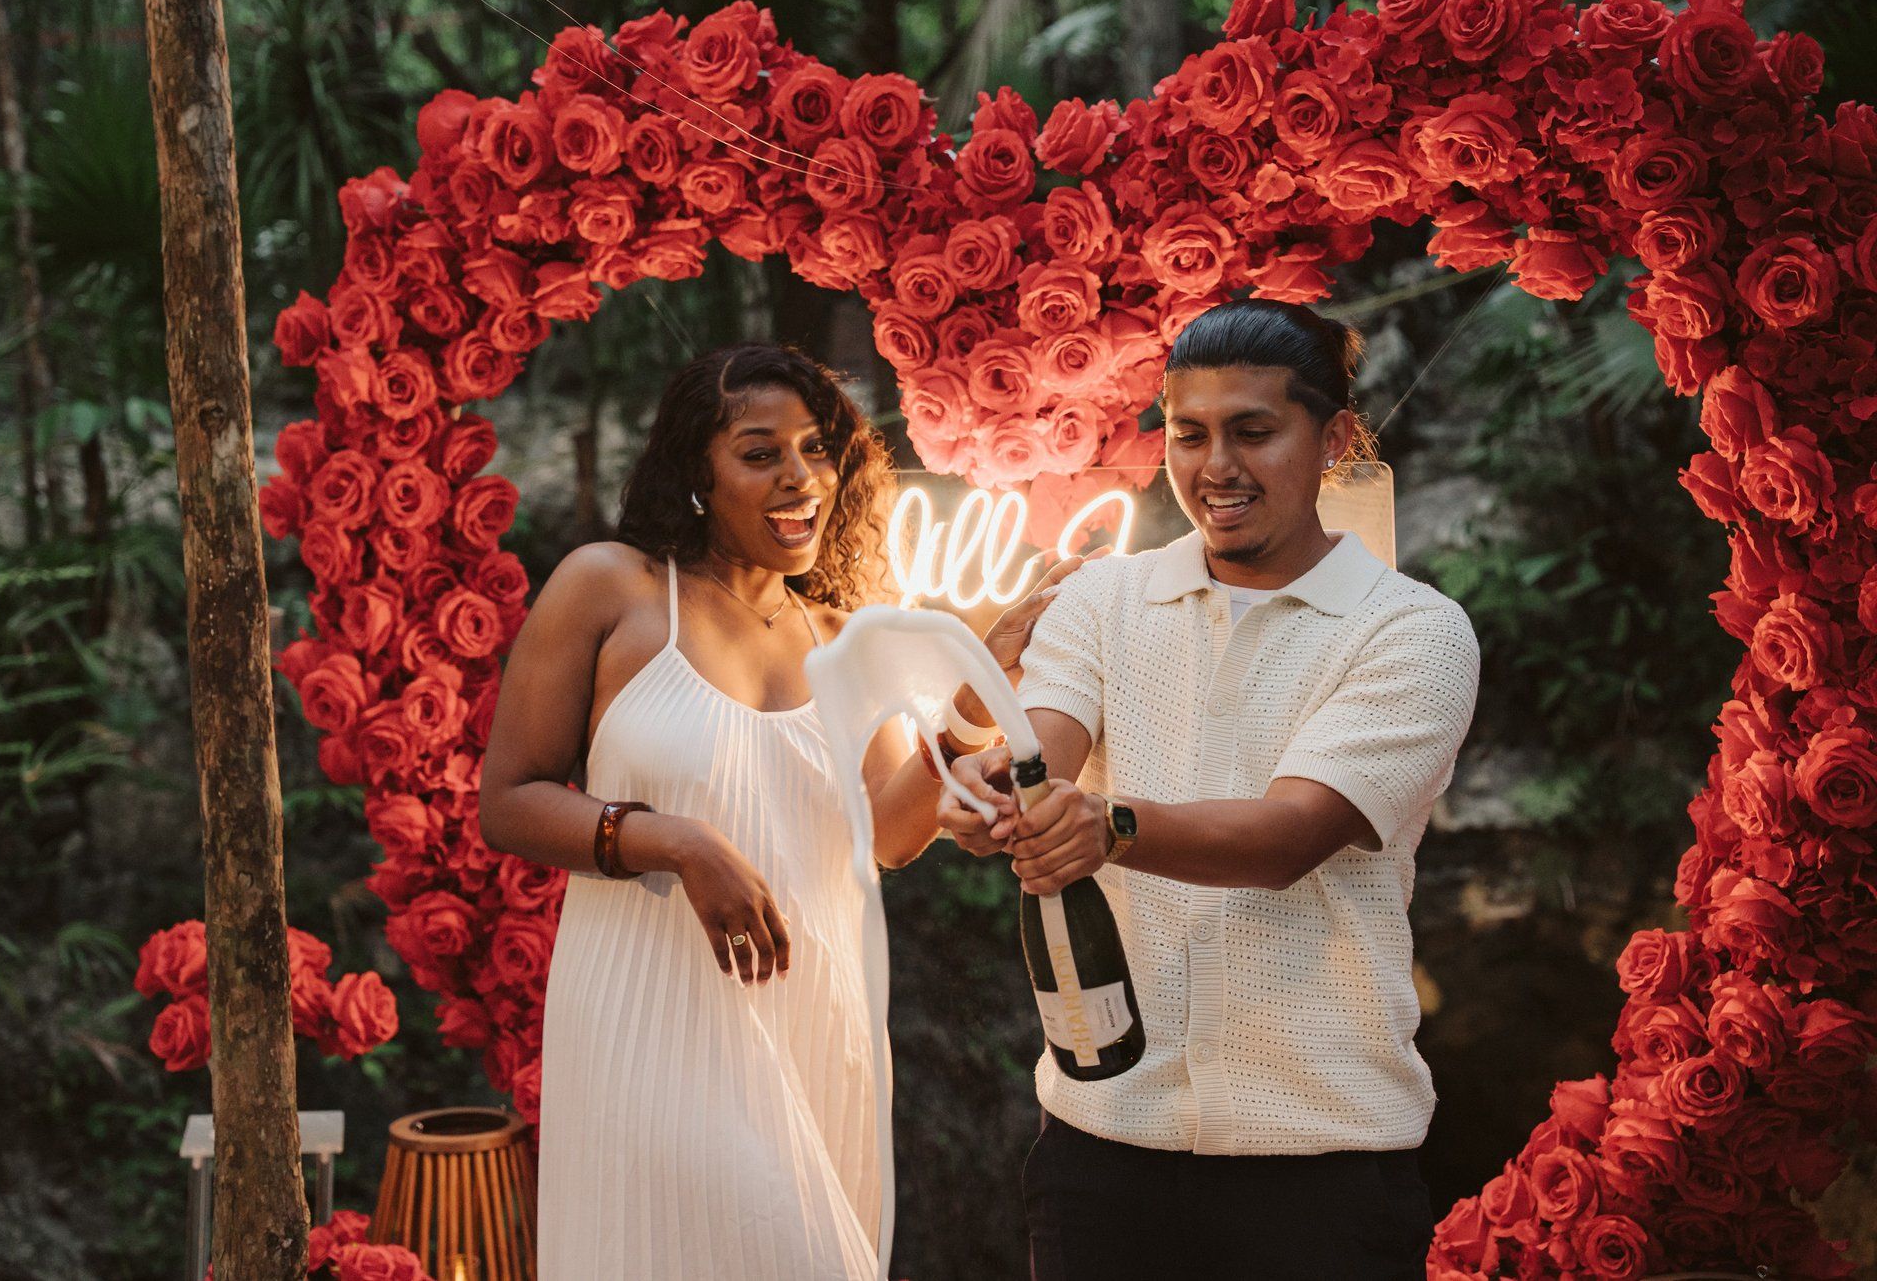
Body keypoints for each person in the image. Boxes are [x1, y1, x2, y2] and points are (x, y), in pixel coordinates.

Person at [478, 343, 1078, 1280]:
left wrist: (974, 686)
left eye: (816, 448)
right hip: (651, 1017)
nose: (800, 478)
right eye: (760, 453)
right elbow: (510, 801)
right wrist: (674, 841)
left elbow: (886, 832)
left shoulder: (844, 634)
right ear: (695, 473)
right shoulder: (612, 587)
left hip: (813, 1019)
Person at [938, 299, 1482, 1280]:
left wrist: (1102, 827)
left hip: (1321, 1162)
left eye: (1252, 431)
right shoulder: (1099, 599)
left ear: (1335, 438)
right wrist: (991, 787)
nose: (1214, 466)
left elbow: (1285, 836)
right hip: (1098, 1150)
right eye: (1187, 435)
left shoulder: (1410, 631)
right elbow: (1041, 745)